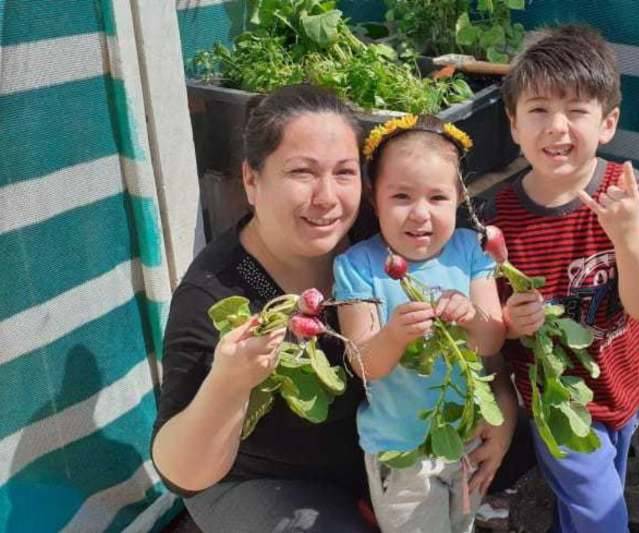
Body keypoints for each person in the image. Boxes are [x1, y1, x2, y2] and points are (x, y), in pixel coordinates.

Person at [151, 84, 375, 532]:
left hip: (366, 453)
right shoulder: (217, 294)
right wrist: (229, 381)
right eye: (302, 172)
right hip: (261, 480)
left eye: (344, 172)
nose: (328, 197)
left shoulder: (377, 233)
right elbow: (179, 472)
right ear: (252, 180)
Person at [485, 25, 639, 532]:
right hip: (557, 401)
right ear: (514, 124)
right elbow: (489, 326)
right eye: (539, 109)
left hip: (627, 385)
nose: (557, 127)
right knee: (601, 515)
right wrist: (509, 321)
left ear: (608, 122)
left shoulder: (631, 193)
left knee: (593, 499)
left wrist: (627, 235)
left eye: (577, 110)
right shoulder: (496, 216)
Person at [333, 115, 516, 533]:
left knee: (462, 523)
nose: (420, 214)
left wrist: (471, 316)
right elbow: (363, 362)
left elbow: (491, 341)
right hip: (401, 452)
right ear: (373, 199)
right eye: (401, 196)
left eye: (437, 198)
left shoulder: (471, 250)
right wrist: (395, 334)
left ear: (458, 198)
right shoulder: (358, 267)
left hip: (467, 434)